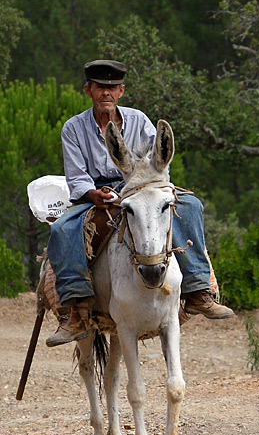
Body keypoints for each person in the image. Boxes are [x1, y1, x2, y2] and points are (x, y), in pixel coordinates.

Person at [45, 60, 233, 347]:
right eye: (99, 88)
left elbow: (157, 164)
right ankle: (74, 312)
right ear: (88, 91)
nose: (105, 94)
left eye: (111, 88)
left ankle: (197, 290)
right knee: (61, 229)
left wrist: (145, 187)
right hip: (95, 193)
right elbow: (76, 176)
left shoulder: (139, 120)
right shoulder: (73, 128)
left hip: (140, 187)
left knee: (191, 206)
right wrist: (93, 194)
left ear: (121, 91)